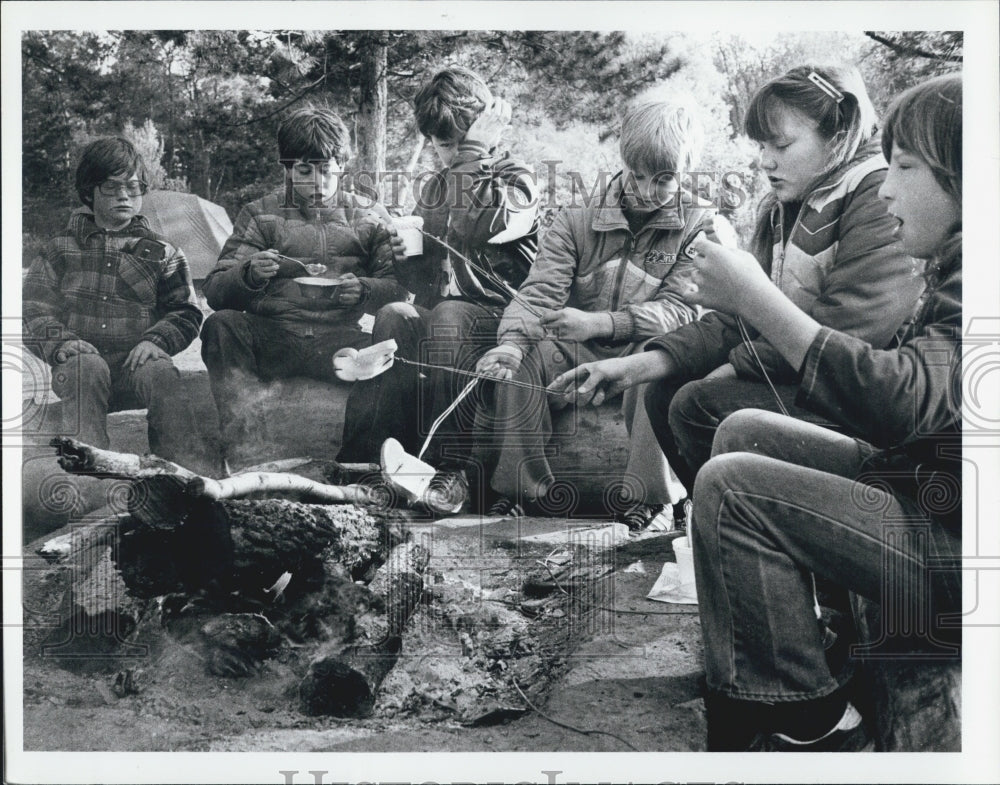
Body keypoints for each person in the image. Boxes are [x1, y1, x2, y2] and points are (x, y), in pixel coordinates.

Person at [678, 74, 962, 750]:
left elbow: (904, 398)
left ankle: (809, 722)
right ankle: (798, 645)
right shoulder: (956, 263)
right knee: (741, 430)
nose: (888, 186)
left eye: (905, 167)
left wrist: (755, 300)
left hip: (958, 543)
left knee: (734, 488)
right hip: (931, 492)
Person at [549, 65, 925, 504]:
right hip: (806, 385)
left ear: (839, 131)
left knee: (699, 404)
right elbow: (737, 318)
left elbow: (850, 327)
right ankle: (718, 524)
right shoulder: (789, 204)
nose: (765, 161)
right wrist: (632, 368)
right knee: (664, 393)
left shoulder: (878, 196)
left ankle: (753, 530)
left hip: (864, 404)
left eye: (781, 144)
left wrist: (733, 367)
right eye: (761, 146)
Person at [474, 95, 726, 518]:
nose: (647, 191)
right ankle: (523, 492)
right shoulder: (576, 219)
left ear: (685, 173)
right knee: (520, 363)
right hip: (576, 352)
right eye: (638, 175)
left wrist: (601, 323)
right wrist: (513, 344)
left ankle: (651, 500)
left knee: (660, 360)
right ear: (623, 161)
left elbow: (682, 311)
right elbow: (540, 295)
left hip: (639, 350)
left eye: (663, 181)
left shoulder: (699, 225)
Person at [336, 66, 539, 508]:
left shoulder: (517, 179)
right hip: (449, 325)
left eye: (459, 144)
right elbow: (420, 283)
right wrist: (403, 254)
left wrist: (473, 153)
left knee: (450, 315)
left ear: (488, 133)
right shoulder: (435, 186)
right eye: (443, 145)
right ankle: (367, 462)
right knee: (395, 318)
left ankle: (455, 470)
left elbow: (478, 222)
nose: (448, 155)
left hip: (505, 325)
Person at [200, 104, 406, 472]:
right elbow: (216, 292)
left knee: (393, 358)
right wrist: (249, 273)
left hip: (339, 343)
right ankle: (248, 456)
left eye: (326, 171)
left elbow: (397, 290)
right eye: (304, 171)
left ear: (342, 165)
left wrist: (364, 290)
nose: (317, 183)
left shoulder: (369, 215)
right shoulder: (261, 213)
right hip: (273, 338)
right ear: (287, 168)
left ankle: (355, 465)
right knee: (222, 326)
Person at [23, 137, 214, 474]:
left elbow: (185, 312)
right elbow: (33, 310)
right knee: (87, 370)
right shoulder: (59, 248)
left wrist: (155, 341)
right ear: (89, 192)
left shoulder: (163, 251)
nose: (125, 195)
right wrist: (62, 342)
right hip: (80, 364)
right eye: (112, 187)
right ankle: (89, 475)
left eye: (134, 186)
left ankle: (184, 474)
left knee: (162, 375)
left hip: (135, 362)